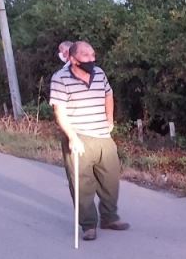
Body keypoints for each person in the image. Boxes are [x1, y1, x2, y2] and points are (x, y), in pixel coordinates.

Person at [50, 41, 130, 241]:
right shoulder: (60, 78)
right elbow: (60, 112)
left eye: (93, 55)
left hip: (103, 136)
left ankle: (109, 218)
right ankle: (88, 225)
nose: (91, 59)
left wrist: (110, 119)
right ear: (72, 58)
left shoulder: (99, 73)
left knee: (111, 181)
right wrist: (72, 137)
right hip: (79, 137)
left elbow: (108, 94)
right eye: (85, 55)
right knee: (82, 184)